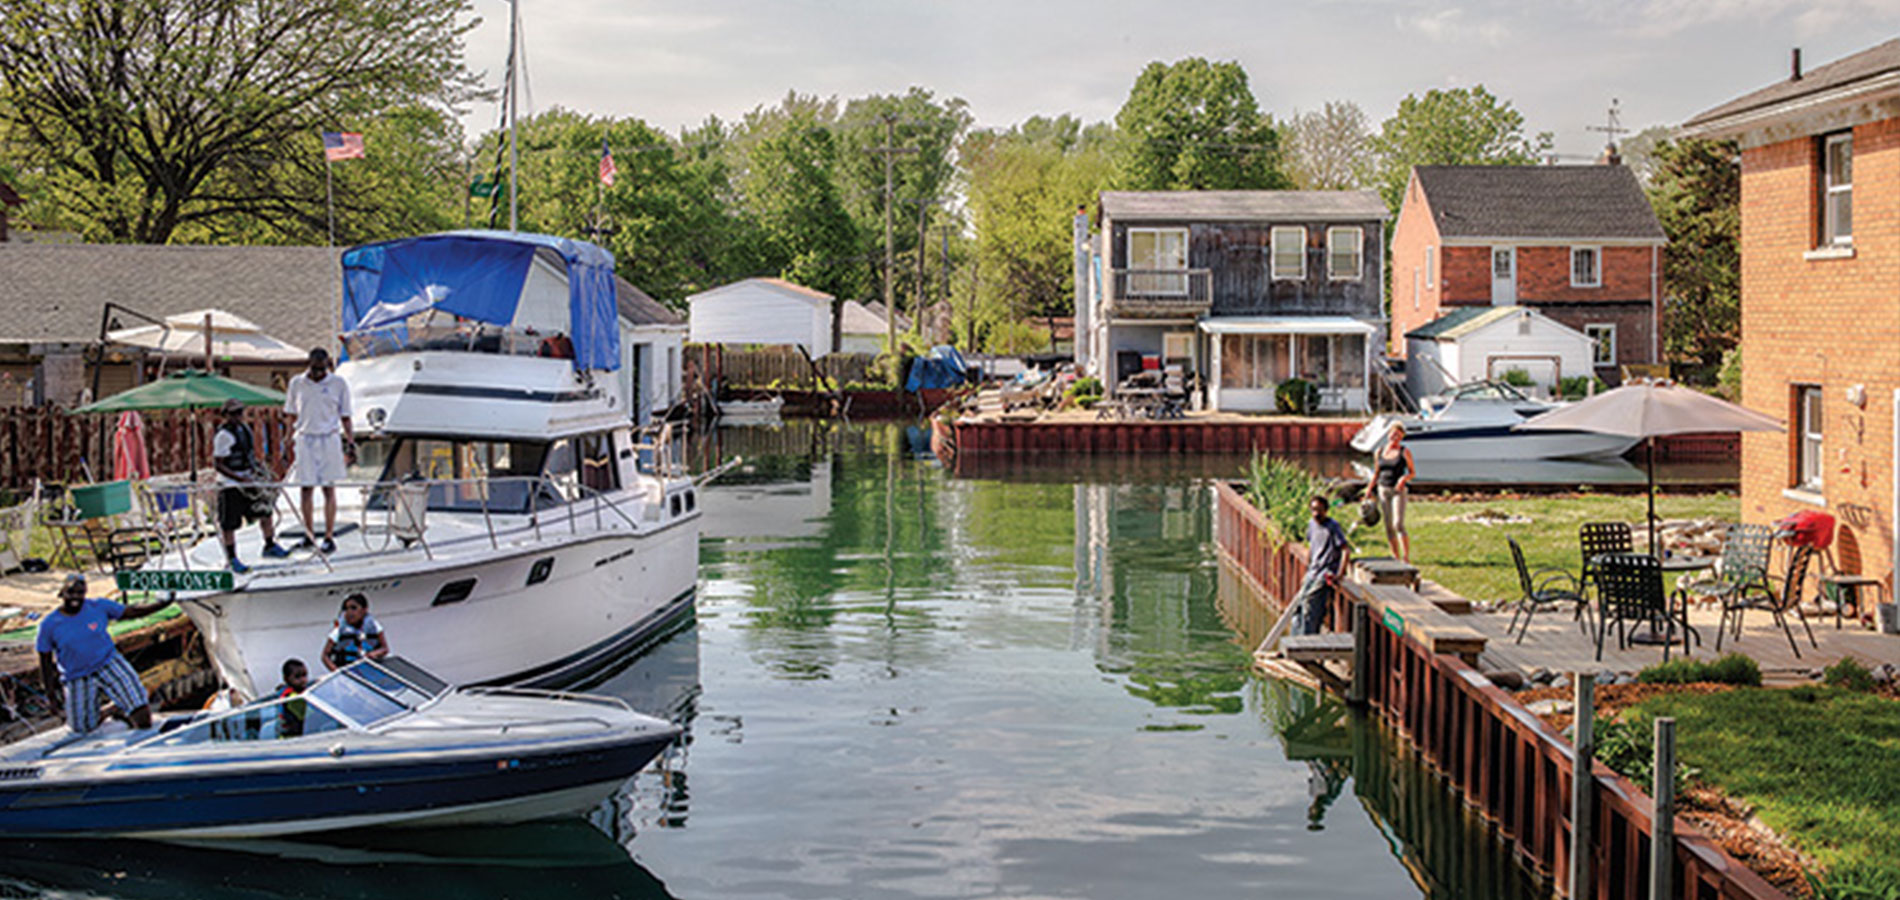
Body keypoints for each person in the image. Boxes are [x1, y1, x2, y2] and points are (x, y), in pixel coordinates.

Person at [36, 574, 173, 733]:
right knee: (82, 728)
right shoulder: (49, 624)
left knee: (138, 706)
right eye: (71, 593)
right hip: (77, 674)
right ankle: (110, 710)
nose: (75, 597)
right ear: (62, 594)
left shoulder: (98, 606)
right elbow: (45, 661)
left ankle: (130, 712)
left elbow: (131, 612)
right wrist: (51, 696)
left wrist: (162, 604)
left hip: (107, 662)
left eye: (80, 593)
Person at [283, 348, 355, 554]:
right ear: (309, 365)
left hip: (329, 438)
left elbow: (345, 416)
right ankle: (309, 534)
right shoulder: (297, 383)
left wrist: (350, 442)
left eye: (322, 369)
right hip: (305, 438)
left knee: (328, 488)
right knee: (306, 489)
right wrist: (287, 440)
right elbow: (291, 414)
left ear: (327, 366)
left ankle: (329, 537)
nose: (318, 373)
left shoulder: (338, 383)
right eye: (315, 369)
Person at [212, 398, 288, 573]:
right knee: (229, 523)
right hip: (230, 484)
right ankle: (232, 558)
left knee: (265, 510)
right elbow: (219, 464)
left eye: (240, 412)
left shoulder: (245, 429)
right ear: (226, 415)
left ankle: (269, 544)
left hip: (248, 477)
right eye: (233, 413)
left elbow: (249, 454)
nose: (237, 416)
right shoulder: (223, 436)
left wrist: (256, 471)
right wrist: (239, 478)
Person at [1293, 496, 1352, 636]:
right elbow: (1311, 547)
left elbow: (1346, 550)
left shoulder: (1332, 527)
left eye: (1319, 510)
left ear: (1326, 510)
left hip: (1325, 572)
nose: (1316, 514)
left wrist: (1339, 574)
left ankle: (1307, 641)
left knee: (1310, 605)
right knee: (1299, 606)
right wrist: (1307, 569)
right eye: (1313, 510)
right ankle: (1295, 639)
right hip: (1313, 571)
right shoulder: (1311, 525)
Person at [1375, 424, 1417, 563]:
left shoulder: (1404, 452)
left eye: (1399, 435)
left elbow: (1412, 472)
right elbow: (1376, 473)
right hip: (1383, 489)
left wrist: (1403, 479)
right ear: (1388, 434)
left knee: (1398, 523)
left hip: (1398, 490)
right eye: (1393, 434)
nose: (1395, 437)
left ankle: (1405, 557)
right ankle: (1395, 556)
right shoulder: (1379, 451)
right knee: (1388, 526)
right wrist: (1369, 490)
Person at [321, 594, 388, 671]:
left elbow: (384, 649)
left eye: (353, 608)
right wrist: (338, 671)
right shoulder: (339, 630)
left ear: (364, 609)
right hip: (347, 671)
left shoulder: (375, 626)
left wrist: (373, 654)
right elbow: (325, 656)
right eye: (346, 609)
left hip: (369, 671)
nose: (349, 612)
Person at [273, 658, 310, 737]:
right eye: (297, 677)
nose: (303, 680)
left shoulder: (299, 690)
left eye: (304, 675)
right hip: (292, 737)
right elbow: (309, 715)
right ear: (286, 679)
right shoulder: (292, 698)